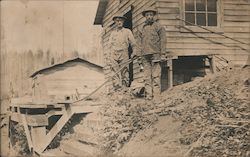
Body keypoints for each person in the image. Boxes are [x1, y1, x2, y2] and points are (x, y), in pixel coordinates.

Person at [138, 7, 167, 99]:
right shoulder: (141, 28)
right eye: (147, 15)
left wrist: (163, 54)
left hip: (155, 54)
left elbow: (163, 40)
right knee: (147, 76)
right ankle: (149, 95)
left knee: (156, 75)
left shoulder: (159, 26)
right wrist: (139, 55)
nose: (149, 17)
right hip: (145, 55)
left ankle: (157, 95)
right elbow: (139, 42)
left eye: (151, 15)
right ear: (145, 17)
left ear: (153, 16)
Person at [108, 13, 137, 90]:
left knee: (125, 70)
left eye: (121, 21)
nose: (119, 22)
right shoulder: (112, 33)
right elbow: (109, 45)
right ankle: (117, 89)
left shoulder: (127, 31)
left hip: (123, 52)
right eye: (117, 21)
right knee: (114, 71)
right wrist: (108, 56)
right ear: (115, 22)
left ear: (123, 22)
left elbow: (133, 43)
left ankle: (125, 88)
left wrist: (134, 52)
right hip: (114, 53)